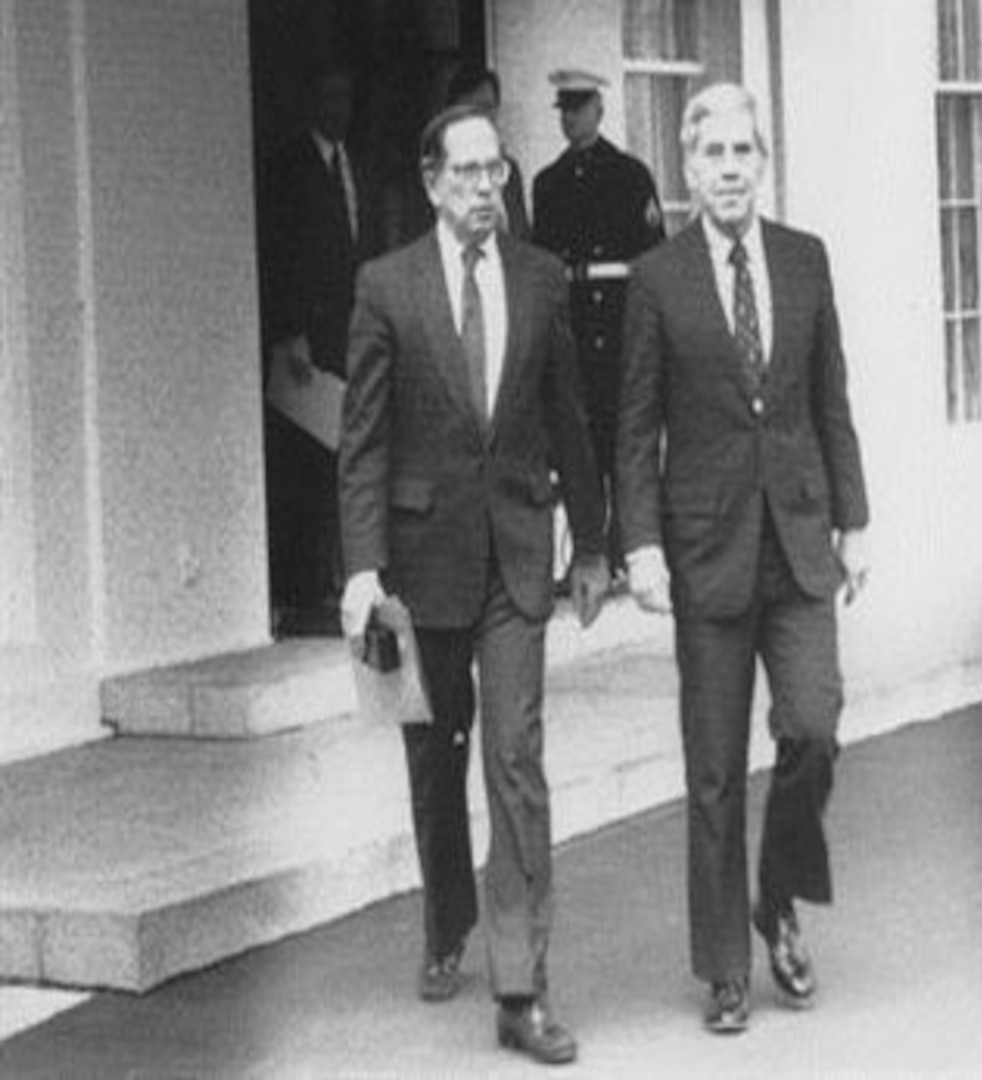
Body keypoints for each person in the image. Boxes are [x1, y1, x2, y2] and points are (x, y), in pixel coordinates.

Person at [338, 104, 609, 1066]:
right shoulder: (386, 286)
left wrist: (594, 546)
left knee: (515, 756)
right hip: (422, 560)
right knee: (435, 754)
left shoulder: (539, 280)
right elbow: (363, 441)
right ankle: (445, 915)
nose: (486, 189)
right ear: (430, 182)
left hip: (518, 559)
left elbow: (568, 415)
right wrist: (362, 567)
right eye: (466, 174)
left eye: (496, 171)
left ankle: (521, 985)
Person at [615, 82, 871, 1035]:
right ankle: (725, 966)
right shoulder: (658, 279)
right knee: (715, 766)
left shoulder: (805, 262)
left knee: (813, 726)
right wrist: (637, 543)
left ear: (762, 162)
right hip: (706, 553)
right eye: (712, 154)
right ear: (688, 168)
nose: (728, 169)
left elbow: (831, 399)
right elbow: (634, 427)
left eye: (742, 152)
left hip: (800, 546)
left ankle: (777, 896)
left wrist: (856, 518)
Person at [532, 68, 665, 585]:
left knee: (623, 440)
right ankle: (589, 550)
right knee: (578, 442)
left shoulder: (630, 175)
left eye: (579, 107)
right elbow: (545, 267)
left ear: (599, 110)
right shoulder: (549, 183)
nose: (571, 117)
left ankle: (628, 549)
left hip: (620, 319)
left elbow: (652, 260)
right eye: (564, 109)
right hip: (574, 326)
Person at [258, 65, 379, 635]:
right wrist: (289, 330)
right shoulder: (289, 167)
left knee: (349, 455)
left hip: (350, 333)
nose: (342, 105)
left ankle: (344, 576)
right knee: (307, 465)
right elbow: (278, 250)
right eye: (331, 94)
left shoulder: (358, 166)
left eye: (348, 95)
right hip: (307, 341)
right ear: (313, 101)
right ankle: (304, 586)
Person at [446, 63, 531, 241]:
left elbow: (522, 238)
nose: (483, 117)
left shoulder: (509, 171)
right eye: (473, 108)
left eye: (489, 107)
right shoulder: (442, 173)